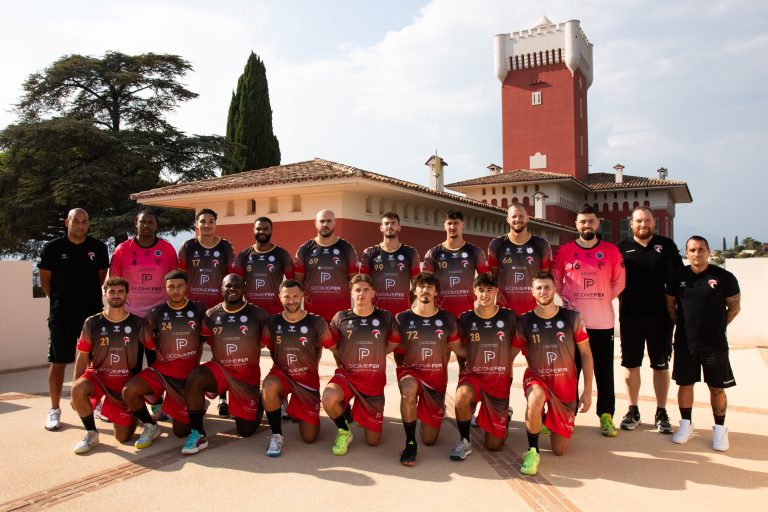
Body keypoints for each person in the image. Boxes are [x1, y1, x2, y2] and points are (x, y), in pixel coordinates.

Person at [512, 271, 594, 476]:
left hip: (564, 385)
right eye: (538, 288)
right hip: (537, 378)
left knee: (560, 450)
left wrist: (587, 391)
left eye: (547, 287)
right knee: (536, 397)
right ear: (532, 291)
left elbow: (586, 355)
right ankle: (532, 451)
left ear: (554, 288)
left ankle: (547, 420)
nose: (543, 291)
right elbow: (511, 353)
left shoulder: (572, 317)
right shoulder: (525, 321)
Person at [553, 205, 625, 437]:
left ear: (597, 224)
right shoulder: (565, 251)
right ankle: (567, 415)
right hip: (573, 324)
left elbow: (619, 282)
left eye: (591, 222)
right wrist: (569, 300)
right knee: (570, 372)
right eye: (582, 222)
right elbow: (556, 278)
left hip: (602, 323)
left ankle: (606, 415)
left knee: (604, 372)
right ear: (576, 225)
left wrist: (601, 297)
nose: (587, 226)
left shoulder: (611, 251)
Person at [180, 274, 269, 455]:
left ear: (244, 288)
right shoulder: (211, 314)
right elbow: (202, 341)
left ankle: (259, 400)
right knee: (195, 375)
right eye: (228, 286)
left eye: (237, 286)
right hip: (220, 370)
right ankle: (198, 434)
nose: (232, 289)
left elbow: (267, 342)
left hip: (246, 377)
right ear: (221, 289)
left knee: (245, 431)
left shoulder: (258, 314)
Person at [666, 236, 740, 451]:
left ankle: (719, 430)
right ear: (686, 253)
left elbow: (734, 308)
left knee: (717, 388)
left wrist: (718, 326)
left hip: (714, 344)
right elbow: (671, 307)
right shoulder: (676, 277)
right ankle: (686, 425)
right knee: (685, 385)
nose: (696, 254)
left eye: (701, 249)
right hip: (685, 343)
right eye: (692, 250)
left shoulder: (724, 277)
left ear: (708, 251)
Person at [39, 208, 109, 431]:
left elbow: (100, 279)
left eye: (85, 221)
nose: (80, 225)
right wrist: (61, 303)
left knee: (95, 363)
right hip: (62, 315)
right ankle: (54, 409)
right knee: (58, 362)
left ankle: (94, 404)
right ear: (66, 222)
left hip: (91, 316)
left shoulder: (98, 248)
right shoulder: (52, 248)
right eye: (76, 221)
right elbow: (45, 282)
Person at [122, 270, 207, 449]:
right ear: (165, 289)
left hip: (186, 377)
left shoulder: (199, 309)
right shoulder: (156, 312)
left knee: (180, 432)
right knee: (129, 391)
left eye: (179, 286)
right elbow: (144, 335)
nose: (175, 290)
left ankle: (198, 403)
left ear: (187, 287)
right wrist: (153, 348)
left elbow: (203, 338)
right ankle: (149, 425)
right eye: (171, 287)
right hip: (161, 372)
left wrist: (196, 363)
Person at [616, 206, 683, 433]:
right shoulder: (621, 249)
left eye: (647, 221)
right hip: (630, 316)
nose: (643, 225)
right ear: (631, 224)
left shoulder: (667, 246)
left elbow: (679, 279)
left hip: (661, 317)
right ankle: (633, 409)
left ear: (653, 222)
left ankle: (661, 411)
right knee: (631, 364)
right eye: (639, 221)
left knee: (660, 365)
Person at [69, 277, 153, 454]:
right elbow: (83, 355)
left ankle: (136, 417)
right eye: (112, 291)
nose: (116, 295)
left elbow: (154, 351)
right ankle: (91, 433)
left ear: (126, 294)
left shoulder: (138, 323)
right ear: (104, 294)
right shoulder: (92, 322)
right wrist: (73, 387)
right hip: (99, 377)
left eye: (120, 291)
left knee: (122, 438)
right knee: (78, 388)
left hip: (124, 384)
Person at [322, 274, 398, 455]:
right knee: (328, 397)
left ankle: (364, 411)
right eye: (357, 290)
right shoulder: (341, 317)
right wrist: (342, 360)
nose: (361, 294)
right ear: (351, 293)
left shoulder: (385, 318)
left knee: (373, 442)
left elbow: (393, 344)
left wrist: (377, 354)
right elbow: (334, 346)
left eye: (365, 290)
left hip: (373, 383)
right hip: (347, 377)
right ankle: (344, 431)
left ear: (373, 293)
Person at [392, 272, 462, 466]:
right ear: (414, 290)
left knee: (430, 440)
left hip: (435, 380)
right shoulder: (402, 318)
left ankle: (436, 408)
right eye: (421, 286)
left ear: (436, 292)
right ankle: (410, 443)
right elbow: (391, 349)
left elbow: (459, 350)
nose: (425, 290)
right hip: (411, 372)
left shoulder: (447, 319)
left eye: (430, 287)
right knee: (408, 392)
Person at [260, 279, 333, 457]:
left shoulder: (317, 322)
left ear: (302, 296)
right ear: (280, 298)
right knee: (268, 386)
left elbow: (331, 347)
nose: (291, 300)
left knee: (309, 438)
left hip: (307, 381)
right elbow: (265, 347)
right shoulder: (273, 322)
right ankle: (276, 434)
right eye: (287, 296)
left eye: (295, 296)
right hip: (282, 375)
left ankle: (297, 407)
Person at [450, 274, 517, 460]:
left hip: (498, 382)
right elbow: (460, 349)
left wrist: (506, 362)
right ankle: (464, 441)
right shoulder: (465, 319)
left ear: (496, 291)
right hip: (474, 377)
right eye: (481, 290)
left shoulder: (509, 317)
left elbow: (519, 344)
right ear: (474, 292)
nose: (485, 294)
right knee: (462, 396)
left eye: (489, 290)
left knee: (494, 446)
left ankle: (505, 417)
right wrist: (465, 367)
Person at [177, 208, 235, 417]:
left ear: (215, 224)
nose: (207, 225)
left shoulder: (225, 247)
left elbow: (232, 280)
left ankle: (222, 398)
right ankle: (193, 394)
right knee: (193, 352)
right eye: (203, 221)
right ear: (197, 224)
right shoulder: (188, 246)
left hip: (219, 310)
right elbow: (180, 278)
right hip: (193, 310)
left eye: (211, 221)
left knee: (221, 353)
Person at [110, 209, 178, 319]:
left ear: (156, 225)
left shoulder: (167, 249)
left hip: (161, 313)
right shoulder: (122, 249)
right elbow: (113, 283)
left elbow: (175, 281)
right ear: (136, 223)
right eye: (142, 221)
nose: (146, 225)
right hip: (129, 313)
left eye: (150, 222)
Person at [295, 209, 359, 323]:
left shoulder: (347, 249)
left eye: (329, 221)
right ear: (316, 223)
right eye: (322, 221)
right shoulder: (304, 250)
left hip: (341, 317)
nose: (325, 224)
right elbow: (297, 283)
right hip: (313, 317)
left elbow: (354, 282)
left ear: (335, 223)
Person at [423, 210, 489, 320]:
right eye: (449, 223)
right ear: (444, 226)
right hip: (440, 315)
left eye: (456, 223)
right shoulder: (433, 253)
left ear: (462, 224)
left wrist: (477, 294)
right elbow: (425, 284)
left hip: (467, 315)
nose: (452, 226)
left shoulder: (475, 251)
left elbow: (486, 279)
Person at [487, 203, 552, 315]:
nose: (518, 219)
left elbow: (546, 278)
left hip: (535, 312)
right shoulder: (496, 244)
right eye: (514, 216)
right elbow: (493, 276)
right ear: (508, 219)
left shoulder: (542, 245)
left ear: (527, 218)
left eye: (521, 216)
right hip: (504, 311)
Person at [360, 211, 420, 316]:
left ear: (399, 227)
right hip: (375, 313)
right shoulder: (369, 253)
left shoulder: (411, 253)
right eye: (386, 223)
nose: (390, 226)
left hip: (402, 314)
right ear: (381, 227)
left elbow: (417, 284)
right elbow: (363, 284)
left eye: (393, 223)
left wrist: (407, 302)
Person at [234, 216, 295, 315]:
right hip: (250, 314)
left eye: (265, 229)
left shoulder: (282, 254)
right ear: (253, 230)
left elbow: (292, 283)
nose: (262, 231)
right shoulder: (243, 255)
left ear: (271, 230)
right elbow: (237, 286)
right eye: (258, 229)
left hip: (275, 312)